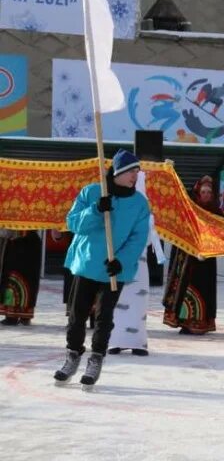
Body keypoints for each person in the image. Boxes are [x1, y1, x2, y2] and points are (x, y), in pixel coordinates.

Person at [53, 150, 151, 390]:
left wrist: (122, 261)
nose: (135, 176)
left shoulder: (139, 203)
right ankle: (72, 355)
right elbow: (73, 223)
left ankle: (96, 359)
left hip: (113, 269)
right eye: (131, 171)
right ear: (117, 172)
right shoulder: (93, 192)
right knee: (77, 314)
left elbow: (139, 237)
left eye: (137, 172)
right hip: (87, 262)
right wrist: (96, 210)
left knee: (104, 317)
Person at [109, 172, 165, 356]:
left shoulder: (147, 213)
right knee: (118, 300)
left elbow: (150, 240)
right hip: (120, 261)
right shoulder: (119, 206)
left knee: (138, 303)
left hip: (139, 263)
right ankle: (115, 340)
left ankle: (138, 342)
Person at [162, 176, 223, 335]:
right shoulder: (190, 209)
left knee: (203, 289)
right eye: (203, 191)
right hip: (188, 258)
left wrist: (209, 249)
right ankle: (184, 322)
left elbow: (220, 235)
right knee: (184, 288)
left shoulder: (217, 212)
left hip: (206, 260)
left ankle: (200, 323)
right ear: (197, 192)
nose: (206, 195)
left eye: (209, 192)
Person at [0, 230, 42, 326]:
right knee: (15, 278)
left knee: (25, 280)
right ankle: (17, 315)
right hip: (19, 242)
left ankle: (19, 315)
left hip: (23, 243)